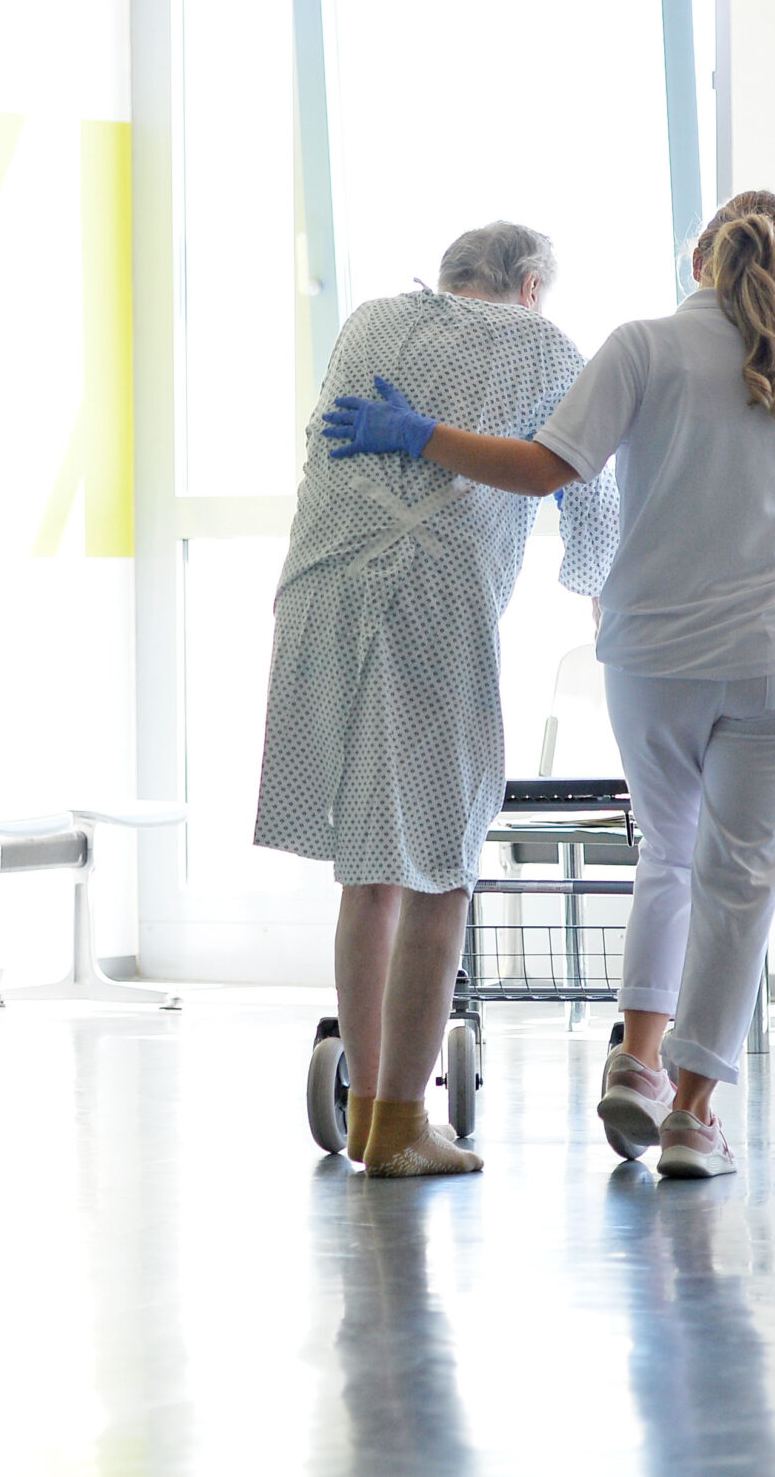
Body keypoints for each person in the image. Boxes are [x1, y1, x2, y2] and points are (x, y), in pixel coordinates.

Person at [321, 190, 775, 1180]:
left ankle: (633, 1063)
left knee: (667, 858)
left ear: (698, 260)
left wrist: (415, 432)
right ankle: (693, 1113)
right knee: (742, 887)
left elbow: (556, 467)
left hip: (652, 654)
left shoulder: (638, 346)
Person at [256, 221, 619, 1179]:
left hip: (319, 592)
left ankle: (377, 1109)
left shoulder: (371, 321)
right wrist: (603, 605)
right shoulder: (543, 344)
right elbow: (590, 499)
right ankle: (402, 1123)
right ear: (532, 285)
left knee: (368, 868)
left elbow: (319, 449)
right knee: (440, 866)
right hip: (427, 607)